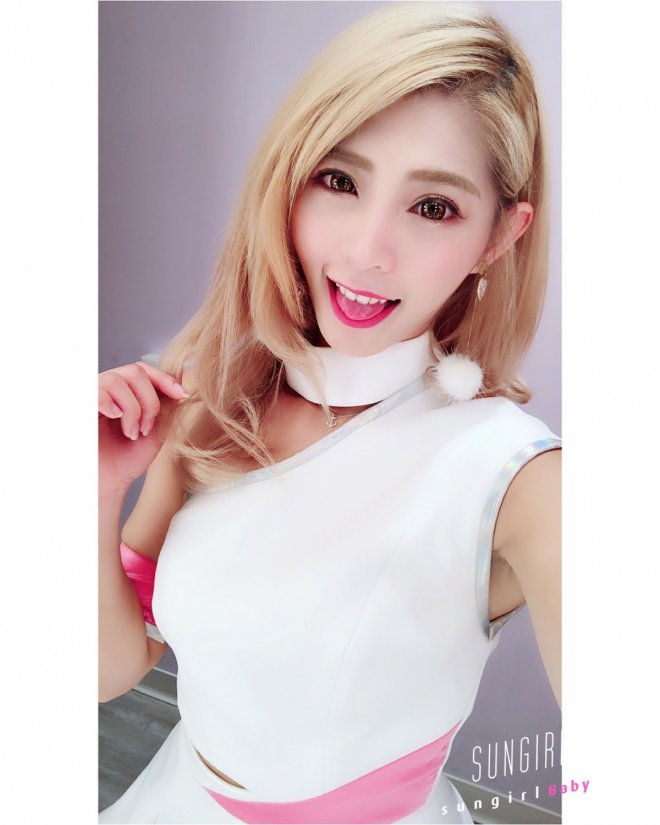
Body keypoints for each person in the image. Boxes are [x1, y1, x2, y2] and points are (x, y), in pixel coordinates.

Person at [98, 2, 561, 822]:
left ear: (498, 236)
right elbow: (109, 670)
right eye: (340, 180)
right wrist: (96, 493)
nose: (365, 251)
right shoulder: (210, 396)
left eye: (433, 207)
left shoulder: (519, 479)